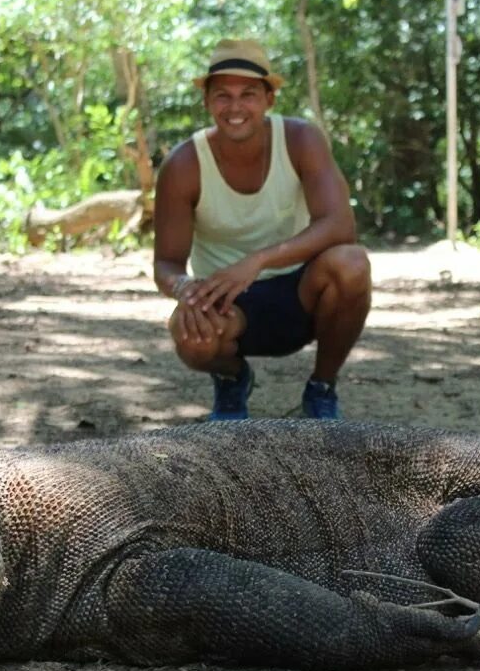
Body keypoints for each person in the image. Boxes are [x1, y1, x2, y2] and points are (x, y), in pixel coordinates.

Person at [152, 38, 371, 420]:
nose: (235, 107)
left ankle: (321, 387)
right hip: (225, 300)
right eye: (223, 96)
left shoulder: (301, 140)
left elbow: (340, 224)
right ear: (206, 101)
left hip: (302, 289)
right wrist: (186, 291)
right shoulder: (184, 164)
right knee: (188, 333)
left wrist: (257, 261)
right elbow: (166, 264)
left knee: (352, 264)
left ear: (269, 99)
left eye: (248, 94)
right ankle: (232, 379)